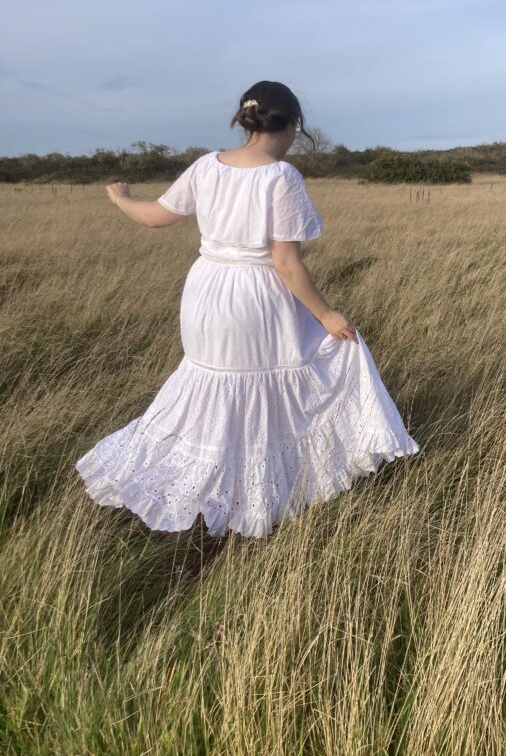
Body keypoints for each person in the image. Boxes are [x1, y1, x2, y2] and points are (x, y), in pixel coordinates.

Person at [74, 80, 420, 539]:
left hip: (206, 290)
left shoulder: (205, 166)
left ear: (246, 120)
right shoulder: (281, 176)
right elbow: (285, 263)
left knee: (215, 381)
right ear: (294, 124)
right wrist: (326, 314)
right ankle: (255, 489)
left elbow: (155, 216)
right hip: (255, 295)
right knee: (281, 375)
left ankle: (213, 482)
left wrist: (120, 197)